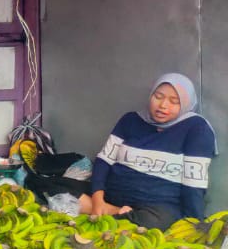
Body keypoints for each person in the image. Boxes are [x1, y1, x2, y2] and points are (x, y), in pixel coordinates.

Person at [80, 74, 217, 229]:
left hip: (157, 206)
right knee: (52, 187)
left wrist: (194, 224)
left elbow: (194, 182)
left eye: (174, 101)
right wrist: (98, 201)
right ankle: (114, 213)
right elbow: (104, 160)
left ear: (186, 104)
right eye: (158, 97)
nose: (163, 105)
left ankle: (98, 213)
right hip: (111, 196)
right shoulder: (130, 120)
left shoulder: (196, 128)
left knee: (156, 222)